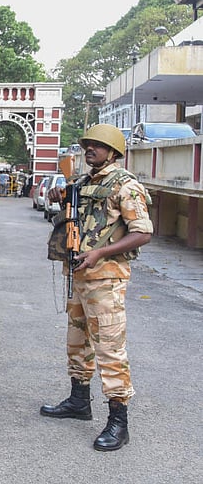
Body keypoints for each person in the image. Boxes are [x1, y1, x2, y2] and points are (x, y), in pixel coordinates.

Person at [40, 124, 153, 451]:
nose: (90, 149)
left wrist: (101, 252)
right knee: (77, 341)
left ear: (113, 151)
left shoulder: (125, 185)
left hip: (105, 279)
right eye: (88, 144)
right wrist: (58, 196)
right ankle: (79, 402)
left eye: (97, 145)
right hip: (79, 275)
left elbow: (143, 232)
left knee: (109, 348)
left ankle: (119, 421)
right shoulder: (83, 182)